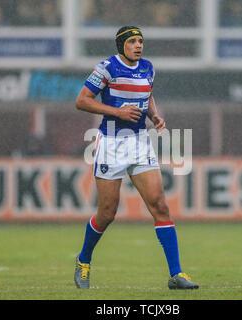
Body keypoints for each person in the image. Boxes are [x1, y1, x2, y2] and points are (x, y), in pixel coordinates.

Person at [73, 26, 199, 290]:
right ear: (122, 46)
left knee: (160, 205)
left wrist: (153, 115)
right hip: (111, 143)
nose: (138, 45)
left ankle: (176, 274)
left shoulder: (148, 68)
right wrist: (116, 112)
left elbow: (147, 94)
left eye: (141, 41)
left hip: (140, 142)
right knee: (107, 214)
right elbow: (82, 101)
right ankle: (84, 259)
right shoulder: (106, 68)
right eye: (132, 41)